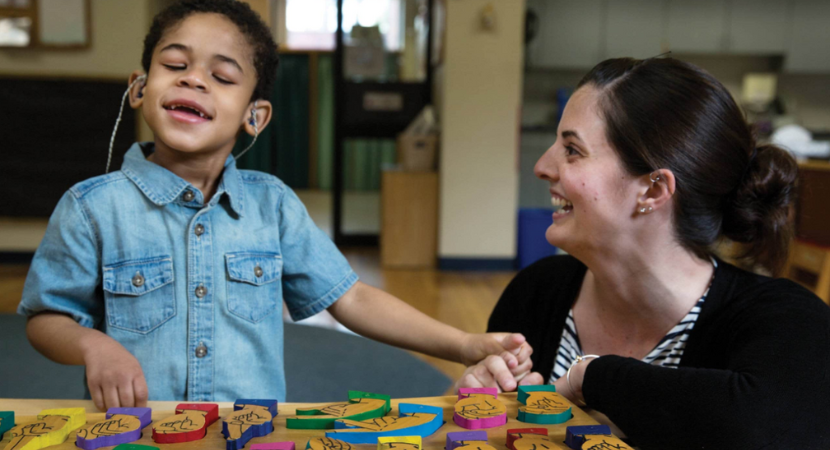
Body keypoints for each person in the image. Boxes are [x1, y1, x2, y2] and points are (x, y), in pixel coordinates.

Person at [18, 0, 531, 410]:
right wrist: (95, 347)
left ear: (255, 116)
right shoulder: (90, 207)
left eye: (222, 77)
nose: (193, 78)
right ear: (139, 87)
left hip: (253, 433)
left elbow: (350, 299)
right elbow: (46, 317)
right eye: (174, 64)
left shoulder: (274, 206)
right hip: (136, 433)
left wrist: (464, 344)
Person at [456, 57, 830, 449]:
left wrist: (592, 378)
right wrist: (476, 410)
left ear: (653, 191)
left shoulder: (785, 319)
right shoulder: (537, 292)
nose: (542, 166)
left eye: (571, 150)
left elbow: (768, 429)